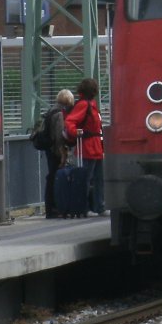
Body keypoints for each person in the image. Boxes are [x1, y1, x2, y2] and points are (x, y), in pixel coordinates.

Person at [65, 77, 105, 215]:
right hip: (89, 146)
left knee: (95, 178)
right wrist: (75, 132)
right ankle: (88, 207)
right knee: (87, 179)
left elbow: (70, 121)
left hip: (94, 145)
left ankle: (97, 206)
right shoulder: (86, 105)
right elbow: (71, 121)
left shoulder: (89, 104)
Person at [43, 89, 74, 218]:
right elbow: (59, 135)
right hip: (56, 151)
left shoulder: (51, 110)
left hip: (49, 149)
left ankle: (50, 208)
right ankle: (54, 208)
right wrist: (63, 154)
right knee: (55, 178)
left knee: (51, 177)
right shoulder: (60, 114)